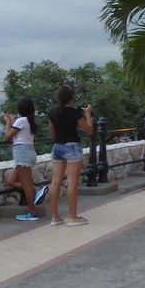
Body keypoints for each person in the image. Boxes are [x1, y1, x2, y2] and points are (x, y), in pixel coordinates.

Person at [47, 85, 93, 227]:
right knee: (72, 182)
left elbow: (52, 133)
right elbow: (89, 131)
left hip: (57, 147)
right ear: (72, 98)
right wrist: (87, 114)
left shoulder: (52, 113)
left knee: (55, 182)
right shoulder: (74, 113)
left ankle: (55, 217)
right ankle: (73, 217)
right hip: (72, 147)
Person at [3, 98, 48, 221]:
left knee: (26, 185)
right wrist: (13, 121)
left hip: (22, 154)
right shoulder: (29, 121)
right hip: (29, 153)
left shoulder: (21, 121)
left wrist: (8, 122)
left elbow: (7, 137)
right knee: (10, 181)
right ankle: (37, 190)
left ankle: (32, 213)